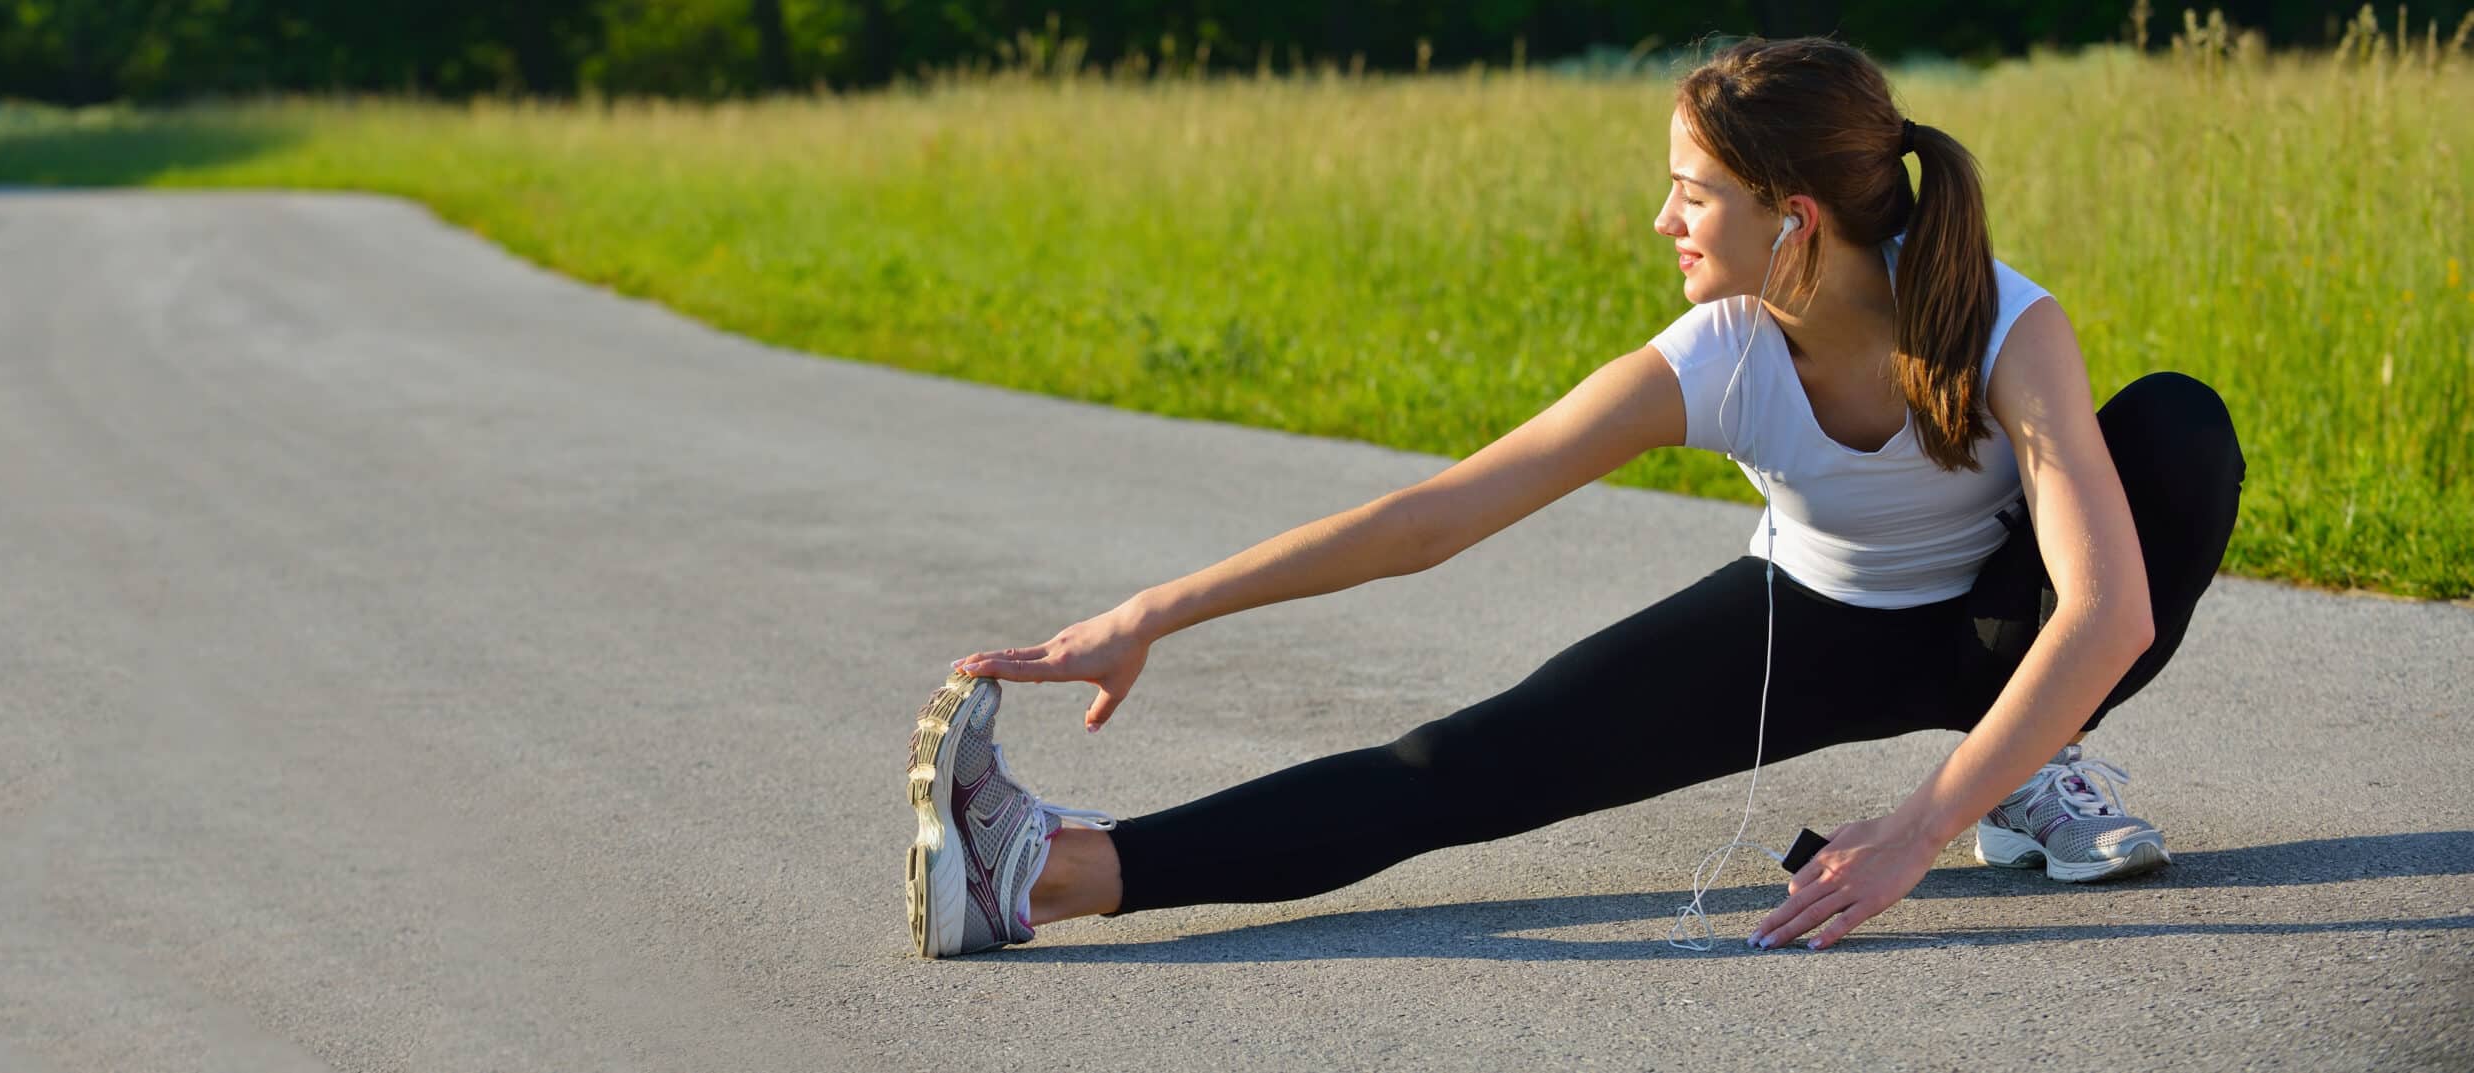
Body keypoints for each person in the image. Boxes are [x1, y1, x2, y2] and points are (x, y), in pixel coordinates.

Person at [905, 35, 2244, 960]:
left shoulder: (2006, 325)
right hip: (1809, 627)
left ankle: (2018, 769)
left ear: (1793, 220)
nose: (1664, 221)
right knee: (1464, 765)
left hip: (2008, 632)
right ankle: (1047, 873)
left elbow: (2109, 610)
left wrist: (1915, 827)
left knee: (2177, 433)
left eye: (1690, 193)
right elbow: (1434, 518)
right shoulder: (1720, 355)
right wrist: (1156, 609)